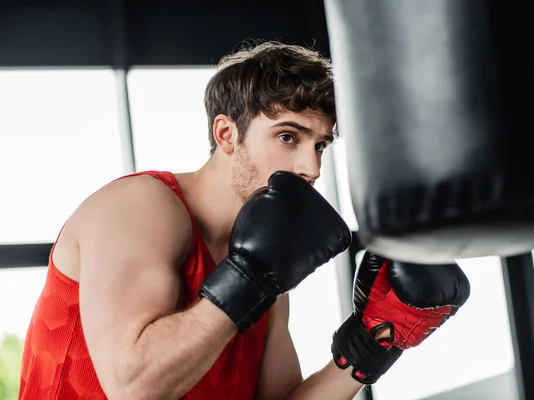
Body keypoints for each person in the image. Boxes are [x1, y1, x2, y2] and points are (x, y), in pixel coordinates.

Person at [18, 41, 470, 400]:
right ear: (226, 134)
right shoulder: (137, 207)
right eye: (288, 136)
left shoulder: (266, 273)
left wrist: (372, 344)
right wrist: (248, 279)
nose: (310, 168)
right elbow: (135, 386)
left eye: (320, 146)